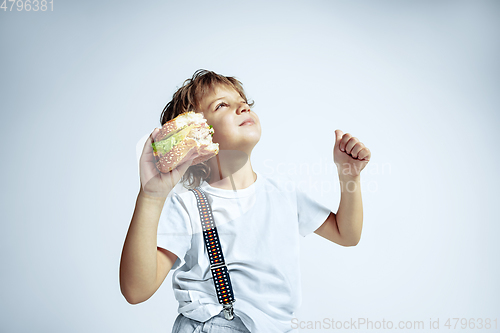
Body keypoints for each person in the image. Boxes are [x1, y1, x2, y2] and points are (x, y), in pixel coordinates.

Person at [120, 69, 371, 332]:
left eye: (243, 102)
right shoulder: (189, 208)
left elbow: (347, 234)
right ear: (193, 135)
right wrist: (150, 197)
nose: (242, 107)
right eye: (222, 105)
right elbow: (136, 290)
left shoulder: (283, 193)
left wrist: (349, 176)